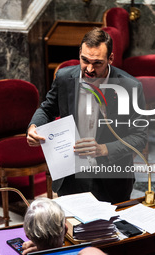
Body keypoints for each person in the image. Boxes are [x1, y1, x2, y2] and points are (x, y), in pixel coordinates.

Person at [27, 28, 147, 204]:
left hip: (112, 181)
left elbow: (139, 136)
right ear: (79, 54)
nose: (89, 69)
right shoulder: (64, 77)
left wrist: (104, 149)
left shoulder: (130, 87)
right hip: (71, 177)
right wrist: (33, 127)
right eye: (85, 61)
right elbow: (47, 109)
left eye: (97, 63)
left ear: (110, 59)